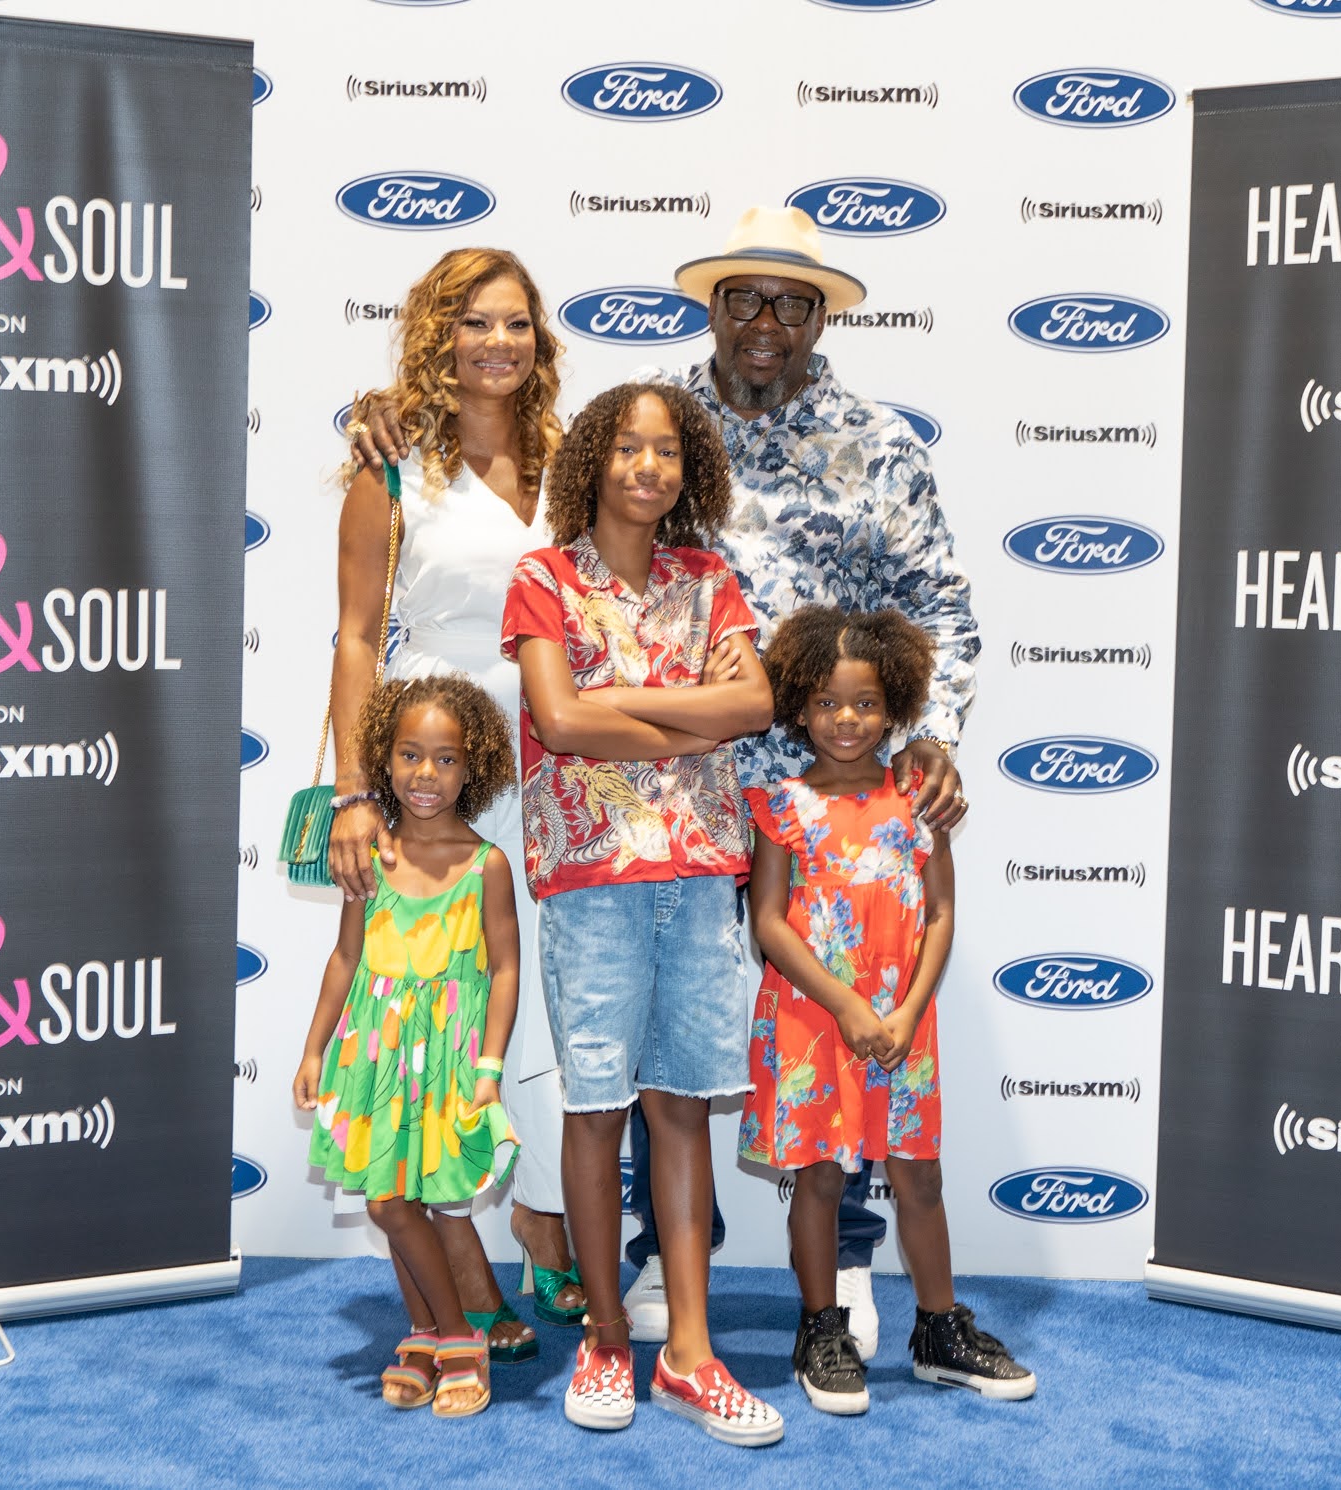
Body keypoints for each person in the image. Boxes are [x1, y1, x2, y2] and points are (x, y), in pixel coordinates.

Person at [346, 210, 981, 1355]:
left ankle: (840, 1268)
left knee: (833, 1026)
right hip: (645, 813)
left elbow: (938, 603)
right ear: (712, 305)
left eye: (791, 300)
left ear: (820, 315)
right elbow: (500, 450)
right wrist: (382, 412)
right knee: (630, 1050)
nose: (765, 320)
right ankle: (645, 1259)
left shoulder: (878, 443)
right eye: (743, 296)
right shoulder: (645, 424)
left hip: (824, 799)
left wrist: (929, 733)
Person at [501, 383, 782, 1446]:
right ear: (592, 459)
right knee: (594, 1107)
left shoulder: (709, 580)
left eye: (666, 450)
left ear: (688, 468)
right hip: (591, 882)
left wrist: (618, 703)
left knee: (681, 1106)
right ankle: (608, 1334)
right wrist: (688, 720)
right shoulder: (542, 578)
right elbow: (558, 721)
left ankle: (690, 1353)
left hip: (700, 875)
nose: (647, 466)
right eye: (626, 446)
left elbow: (752, 705)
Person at [327, 247, 584, 1349]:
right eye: (474, 322)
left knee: (545, 999)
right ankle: (478, 1253)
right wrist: (354, 791)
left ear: (540, 340)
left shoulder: (574, 462)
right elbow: (353, 636)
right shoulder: (393, 468)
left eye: (516, 322)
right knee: (443, 1001)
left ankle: (544, 1214)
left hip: (565, 766)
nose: (497, 342)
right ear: (439, 336)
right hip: (440, 769)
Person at [742, 608, 1034, 1413]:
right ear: (800, 708)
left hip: (905, 1025)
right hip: (814, 1022)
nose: (847, 720)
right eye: (829, 703)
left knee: (920, 1176)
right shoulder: (780, 805)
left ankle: (939, 1332)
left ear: (895, 705)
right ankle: (820, 1330)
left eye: (866, 704)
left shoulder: (918, 801)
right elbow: (769, 922)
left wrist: (905, 1013)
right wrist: (845, 1005)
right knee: (820, 1177)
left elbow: (940, 913)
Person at [293, 674, 525, 1418]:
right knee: (392, 1199)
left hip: (448, 1060)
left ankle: (453, 1337)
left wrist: (490, 1068)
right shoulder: (374, 857)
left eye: (447, 759)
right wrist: (314, 1050)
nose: (427, 774)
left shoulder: (487, 865)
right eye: (410, 755)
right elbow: (345, 958)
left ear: (474, 767)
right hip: (376, 1058)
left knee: (402, 1202)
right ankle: (431, 1331)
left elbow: (506, 968)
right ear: (384, 760)